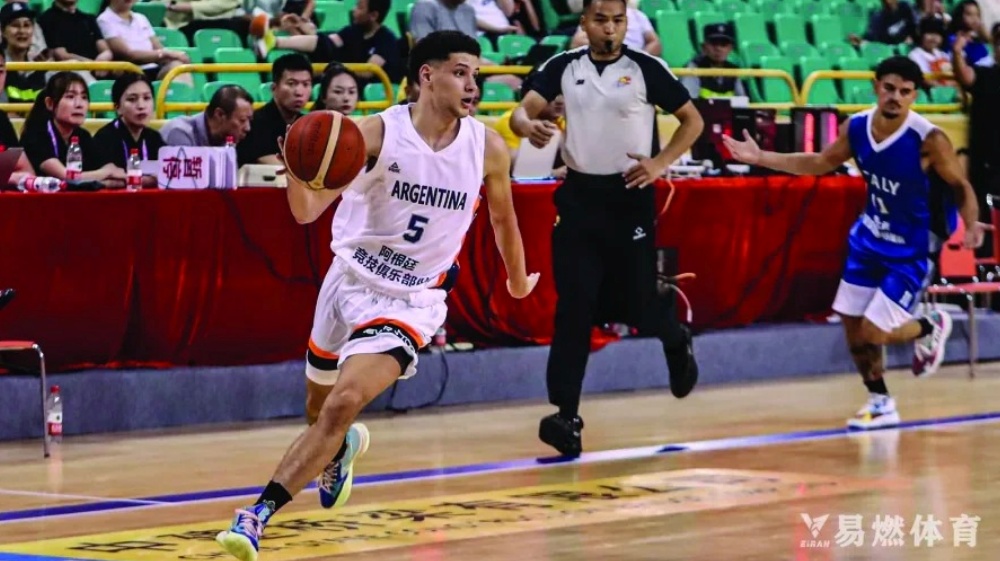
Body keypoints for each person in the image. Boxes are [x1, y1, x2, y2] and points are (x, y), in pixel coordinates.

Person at [214, 30, 538, 561]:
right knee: (319, 409)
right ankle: (339, 449)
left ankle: (255, 516)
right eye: (460, 72)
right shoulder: (374, 134)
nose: (473, 85)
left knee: (343, 402)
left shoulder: (487, 147)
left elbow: (504, 221)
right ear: (427, 75)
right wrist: (298, 167)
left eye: (476, 74)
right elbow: (307, 212)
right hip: (348, 281)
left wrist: (518, 280)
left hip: (412, 301)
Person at [723, 56, 984, 430]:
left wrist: (970, 224)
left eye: (905, 92)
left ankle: (929, 326)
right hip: (868, 239)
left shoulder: (929, 139)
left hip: (911, 249)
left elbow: (961, 186)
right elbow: (820, 162)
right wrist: (761, 157)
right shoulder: (858, 127)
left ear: (914, 96)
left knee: (874, 331)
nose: (896, 97)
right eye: (889, 88)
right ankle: (880, 401)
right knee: (852, 326)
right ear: (876, 86)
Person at [509, 0, 703, 457]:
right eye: (600, 20)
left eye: (618, 21)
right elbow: (521, 112)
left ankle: (675, 337)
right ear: (585, 23)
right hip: (579, 200)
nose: (610, 29)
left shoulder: (646, 68)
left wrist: (659, 162)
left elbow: (692, 120)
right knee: (574, 307)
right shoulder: (563, 65)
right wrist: (528, 126)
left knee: (636, 305)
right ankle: (565, 415)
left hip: (629, 198)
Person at [21, 71, 126, 184]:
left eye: (84, 97)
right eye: (70, 97)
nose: (79, 104)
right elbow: (65, 176)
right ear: (50, 103)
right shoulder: (36, 134)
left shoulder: (83, 135)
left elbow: (111, 171)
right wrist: (106, 173)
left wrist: (107, 175)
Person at [237, 53, 311, 166]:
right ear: (274, 88)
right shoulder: (255, 123)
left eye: (306, 84)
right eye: (291, 84)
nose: (299, 92)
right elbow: (271, 165)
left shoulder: (308, 124)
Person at [92, 73, 164, 188]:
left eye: (146, 98)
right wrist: (149, 180)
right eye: (132, 99)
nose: (141, 106)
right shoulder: (104, 139)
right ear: (117, 107)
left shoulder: (155, 138)